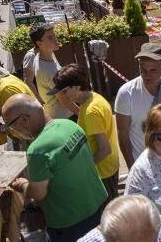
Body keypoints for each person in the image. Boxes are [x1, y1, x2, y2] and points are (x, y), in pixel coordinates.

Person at [5, 95, 106, 242]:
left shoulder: (37, 149)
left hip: (70, 221)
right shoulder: (69, 125)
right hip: (97, 204)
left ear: (24, 119)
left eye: (11, 126)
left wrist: (22, 185)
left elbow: (38, 193)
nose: (13, 132)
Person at [50, 64, 120, 208]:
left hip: (103, 173)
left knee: (110, 216)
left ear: (76, 87)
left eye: (64, 91)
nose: (62, 96)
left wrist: (84, 168)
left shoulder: (90, 112)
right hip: (108, 169)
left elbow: (104, 149)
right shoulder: (94, 98)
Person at [114, 43, 161, 168]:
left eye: (153, 70)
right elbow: (122, 134)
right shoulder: (126, 93)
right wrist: (132, 167)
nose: (147, 75)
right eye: (143, 70)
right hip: (143, 167)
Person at [23, 23, 74, 121]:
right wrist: (40, 101)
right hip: (63, 116)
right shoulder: (33, 57)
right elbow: (28, 80)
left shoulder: (47, 53)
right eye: (50, 38)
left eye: (54, 35)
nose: (55, 39)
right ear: (39, 43)